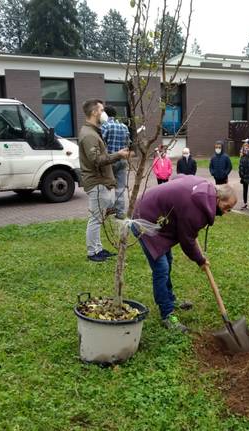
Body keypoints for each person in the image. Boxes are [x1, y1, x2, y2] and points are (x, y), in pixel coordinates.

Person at [132, 176, 238, 332]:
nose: (226, 212)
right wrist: (200, 260)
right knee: (161, 268)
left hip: (159, 218)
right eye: (226, 207)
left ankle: (170, 299)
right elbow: (187, 241)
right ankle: (167, 315)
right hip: (145, 220)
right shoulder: (195, 211)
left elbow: (179, 177)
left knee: (167, 259)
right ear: (217, 198)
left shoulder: (204, 186)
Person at [78, 99, 130, 262]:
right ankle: (93, 252)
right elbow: (96, 160)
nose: (103, 113)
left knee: (99, 217)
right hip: (97, 182)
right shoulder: (89, 135)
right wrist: (119, 155)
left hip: (101, 181)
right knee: (95, 218)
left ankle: (98, 248)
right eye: (101, 109)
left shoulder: (94, 131)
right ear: (94, 112)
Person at [101, 106, 130, 219]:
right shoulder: (124, 126)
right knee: (120, 188)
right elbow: (128, 143)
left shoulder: (105, 126)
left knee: (106, 186)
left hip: (110, 160)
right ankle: (120, 213)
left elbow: (100, 142)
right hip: (122, 160)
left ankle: (109, 207)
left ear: (105, 114)